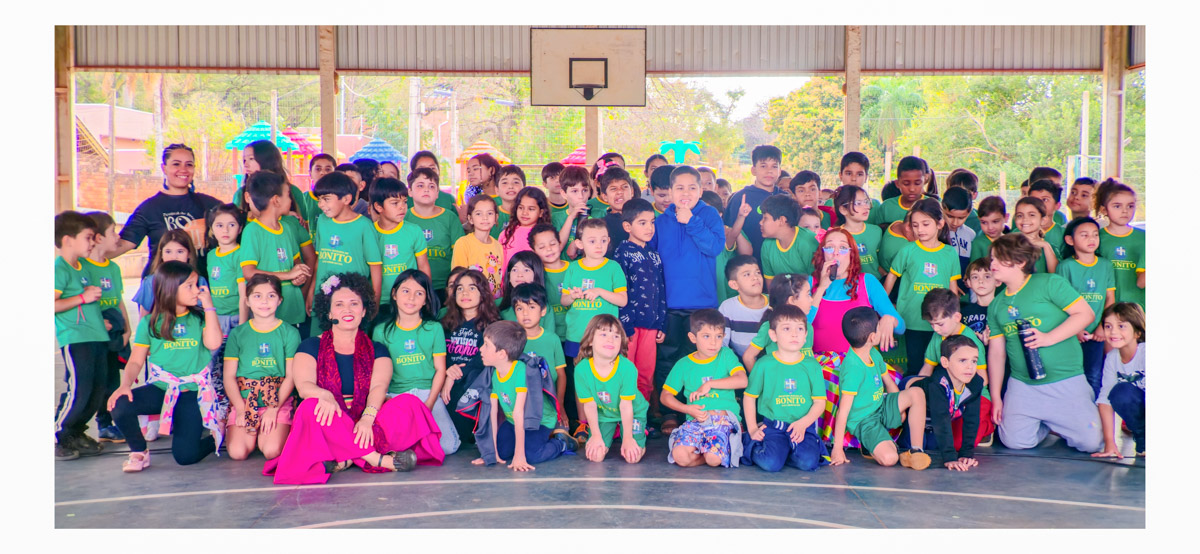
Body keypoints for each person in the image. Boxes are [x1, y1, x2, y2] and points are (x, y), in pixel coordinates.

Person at [264, 272, 444, 484]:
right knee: (310, 407)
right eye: (339, 304)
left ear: (364, 310)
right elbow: (304, 386)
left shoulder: (378, 349)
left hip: (366, 422)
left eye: (354, 304)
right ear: (329, 312)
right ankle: (375, 458)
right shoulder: (310, 345)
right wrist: (325, 395)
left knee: (409, 403)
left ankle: (346, 457)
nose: (347, 310)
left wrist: (367, 418)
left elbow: (378, 387)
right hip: (330, 420)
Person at [986, 233, 1102, 453]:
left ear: (1020, 261)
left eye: (1000, 258)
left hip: (1066, 379)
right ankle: (1047, 425)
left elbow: (1085, 314)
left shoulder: (1050, 283)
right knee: (1014, 442)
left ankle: (1062, 420)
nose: (993, 264)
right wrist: (996, 397)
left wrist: (1048, 338)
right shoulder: (996, 305)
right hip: (1023, 384)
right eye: (992, 258)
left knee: (1092, 443)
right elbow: (996, 353)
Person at [108, 260, 225, 471]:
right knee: (119, 404)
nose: (196, 290)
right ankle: (139, 452)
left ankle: (221, 433)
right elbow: (135, 360)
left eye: (196, 284)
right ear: (170, 289)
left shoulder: (200, 317)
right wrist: (125, 385)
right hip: (162, 389)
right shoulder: (150, 322)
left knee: (186, 456)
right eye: (189, 286)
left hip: (191, 393)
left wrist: (209, 306)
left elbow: (214, 343)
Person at [653, 165, 726, 434]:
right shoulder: (660, 221)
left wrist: (691, 220)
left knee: (701, 359)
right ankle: (670, 413)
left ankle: (699, 411)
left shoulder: (709, 215)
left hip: (703, 304)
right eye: (679, 188)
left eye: (692, 188)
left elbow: (714, 247)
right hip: (670, 304)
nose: (686, 193)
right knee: (668, 359)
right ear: (670, 191)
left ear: (701, 190)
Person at [830, 306, 930, 470]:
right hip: (864, 420)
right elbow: (843, 412)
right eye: (878, 327)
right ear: (872, 337)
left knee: (916, 393)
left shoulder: (873, 353)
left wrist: (899, 407)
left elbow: (889, 383)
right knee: (890, 458)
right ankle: (870, 444)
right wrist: (837, 449)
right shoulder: (853, 369)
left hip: (880, 405)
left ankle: (916, 450)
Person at [467, 321, 577, 470]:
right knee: (502, 453)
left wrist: (520, 456)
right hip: (513, 421)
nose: (480, 349)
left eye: (486, 345)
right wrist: (491, 453)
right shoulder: (493, 372)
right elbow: (492, 411)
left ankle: (561, 442)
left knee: (531, 455)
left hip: (539, 421)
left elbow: (519, 412)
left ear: (502, 354)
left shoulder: (521, 372)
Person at [372, 269, 459, 456]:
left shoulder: (433, 329)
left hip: (427, 393)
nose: (411, 298)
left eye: (419, 293)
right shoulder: (381, 331)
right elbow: (378, 373)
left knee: (449, 446)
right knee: (388, 443)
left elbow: (440, 369)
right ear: (394, 294)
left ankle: (414, 447)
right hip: (397, 396)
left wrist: (429, 403)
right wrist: (385, 398)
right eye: (405, 291)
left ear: (426, 299)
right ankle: (416, 447)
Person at [110, 144, 223, 277]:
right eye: (176, 164)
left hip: (200, 284)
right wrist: (90, 255)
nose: (183, 169)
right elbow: (123, 244)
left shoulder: (211, 205)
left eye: (189, 165)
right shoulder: (149, 208)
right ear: (164, 168)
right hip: (161, 285)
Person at [561, 218, 628, 439]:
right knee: (582, 379)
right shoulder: (573, 268)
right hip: (577, 335)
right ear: (579, 244)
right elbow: (563, 300)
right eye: (592, 241)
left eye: (603, 240)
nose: (598, 245)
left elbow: (622, 299)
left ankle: (611, 420)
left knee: (608, 377)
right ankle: (583, 423)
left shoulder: (613, 267)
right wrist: (572, 296)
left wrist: (599, 291)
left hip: (606, 338)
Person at [740, 305, 827, 472]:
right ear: (773, 335)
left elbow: (819, 402)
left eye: (800, 329)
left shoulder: (812, 366)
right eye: (786, 329)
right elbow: (749, 397)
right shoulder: (764, 365)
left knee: (808, 463)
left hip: (802, 426)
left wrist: (803, 423)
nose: (794, 334)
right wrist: (752, 428)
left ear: (806, 335)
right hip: (774, 427)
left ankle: (785, 452)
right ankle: (751, 443)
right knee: (770, 464)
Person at [222, 274, 300, 461]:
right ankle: (251, 434)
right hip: (245, 400)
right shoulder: (238, 333)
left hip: (276, 400)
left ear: (279, 300)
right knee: (238, 452)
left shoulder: (289, 333)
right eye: (257, 296)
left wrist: (273, 409)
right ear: (247, 301)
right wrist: (241, 409)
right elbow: (229, 377)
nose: (264, 301)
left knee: (271, 450)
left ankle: (265, 434)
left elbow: (291, 376)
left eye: (271, 296)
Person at [54, 212, 111, 460]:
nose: (92, 243)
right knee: (80, 388)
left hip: (96, 336)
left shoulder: (82, 267)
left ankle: (77, 432)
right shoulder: (60, 269)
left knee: (97, 389)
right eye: (88, 237)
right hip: (76, 339)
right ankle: (61, 433)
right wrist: (82, 298)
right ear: (68, 240)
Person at [660, 309, 748, 467]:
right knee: (680, 457)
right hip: (696, 421)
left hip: (722, 420)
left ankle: (713, 452)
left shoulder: (726, 355)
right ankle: (706, 451)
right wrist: (687, 409)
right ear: (693, 338)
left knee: (713, 459)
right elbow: (665, 396)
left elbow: (742, 380)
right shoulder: (683, 364)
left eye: (718, 336)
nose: (713, 342)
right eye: (706, 336)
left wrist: (709, 384)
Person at [884, 199, 962, 375]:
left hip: (941, 321)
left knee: (941, 367)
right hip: (912, 321)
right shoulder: (907, 250)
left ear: (940, 223)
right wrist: (883, 307)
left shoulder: (949, 253)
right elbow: (891, 277)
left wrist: (954, 318)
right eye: (915, 225)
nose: (920, 230)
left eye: (925, 224)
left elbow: (953, 287)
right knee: (915, 366)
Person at [915, 288, 995, 447]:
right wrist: (916, 392)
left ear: (957, 317)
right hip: (948, 398)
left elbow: (983, 380)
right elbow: (927, 369)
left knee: (959, 443)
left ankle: (987, 426)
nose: (935, 329)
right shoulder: (938, 336)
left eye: (940, 324)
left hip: (975, 397)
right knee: (937, 440)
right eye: (931, 325)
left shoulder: (971, 341)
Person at [81, 211, 133, 444]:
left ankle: (108, 424)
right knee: (95, 380)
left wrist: (127, 329)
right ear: (99, 238)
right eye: (113, 232)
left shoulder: (113, 268)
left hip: (113, 332)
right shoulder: (82, 267)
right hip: (93, 333)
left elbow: (118, 300)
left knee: (112, 378)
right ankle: (92, 424)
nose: (118, 237)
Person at [899, 335, 986, 471]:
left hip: (931, 415)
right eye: (962, 360)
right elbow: (941, 419)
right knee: (915, 445)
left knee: (932, 446)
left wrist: (966, 454)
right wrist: (950, 458)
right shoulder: (938, 383)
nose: (970, 366)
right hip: (909, 397)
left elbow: (972, 419)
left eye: (974, 361)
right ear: (945, 362)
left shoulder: (975, 383)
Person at [307, 172, 382, 328]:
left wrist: (374, 302)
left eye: (326, 199)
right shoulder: (322, 221)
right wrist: (311, 292)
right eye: (319, 199)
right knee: (320, 339)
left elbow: (375, 267)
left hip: (352, 302)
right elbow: (319, 261)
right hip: (323, 299)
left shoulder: (364, 226)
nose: (321, 205)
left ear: (346, 199)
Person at [240, 171, 314, 327]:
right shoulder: (252, 231)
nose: (291, 200)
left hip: (293, 310)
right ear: (276, 200)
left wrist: (299, 276)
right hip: (267, 313)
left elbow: (296, 264)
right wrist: (288, 275)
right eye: (288, 195)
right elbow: (249, 272)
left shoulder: (287, 228)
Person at [612, 199, 667, 406]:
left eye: (652, 222)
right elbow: (620, 290)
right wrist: (624, 325)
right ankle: (621, 417)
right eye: (642, 223)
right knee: (626, 371)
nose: (649, 228)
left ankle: (640, 417)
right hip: (630, 327)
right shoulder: (622, 252)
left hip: (651, 325)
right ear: (627, 226)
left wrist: (662, 323)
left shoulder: (654, 255)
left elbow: (661, 290)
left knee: (646, 373)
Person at [573, 314, 649, 463]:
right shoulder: (582, 369)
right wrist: (596, 436)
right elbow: (589, 404)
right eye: (603, 334)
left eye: (616, 336)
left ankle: (636, 432)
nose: (610, 340)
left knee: (632, 458)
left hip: (633, 412)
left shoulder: (627, 368)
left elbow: (626, 405)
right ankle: (613, 429)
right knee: (596, 457)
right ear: (590, 340)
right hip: (605, 414)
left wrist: (628, 439)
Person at [1057, 216, 1117, 398]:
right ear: (1070, 240)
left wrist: (1103, 326)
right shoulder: (1065, 266)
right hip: (1072, 333)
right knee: (1071, 375)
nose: (1091, 239)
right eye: (1084, 235)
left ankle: (1092, 412)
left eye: (1095, 235)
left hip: (1096, 333)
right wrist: (1075, 328)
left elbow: (1110, 298)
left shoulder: (1105, 265)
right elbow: (1060, 303)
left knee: (1094, 374)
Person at [440, 269, 500, 440]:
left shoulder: (494, 324)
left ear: (483, 293)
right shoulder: (444, 324)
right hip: (447, 381)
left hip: (474, 385)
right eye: (459, 288)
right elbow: (439, 354)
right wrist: (448, 371)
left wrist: (455, 373)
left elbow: (484, 360)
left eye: (472, 288)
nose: (464, 293)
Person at [371, 177, 432, 321]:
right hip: (380, 302)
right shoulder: (369, 233)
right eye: (395, 203)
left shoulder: (414, 231)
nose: (402, 207)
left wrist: (427, 296)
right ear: (379, 207)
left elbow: (423, 266)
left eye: (404, 202)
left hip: (409, 301)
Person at [1093, 303, 1146, 457]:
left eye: (1121, 326)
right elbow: (1105, 400)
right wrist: (1110, 443)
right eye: (1108, 326)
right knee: (1120, 393)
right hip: (1140, 411)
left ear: (1137, 332)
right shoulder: (1112, 358)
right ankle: (1142, 438)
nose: (1113, 332)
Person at [511, 283, 568, 419]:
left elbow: (561, 374)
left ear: (543, 311)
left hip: (549, 403)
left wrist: (560, 405)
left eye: (531, 307)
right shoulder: (511, 340)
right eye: (520, 308)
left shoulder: (552, 339)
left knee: (560, 429)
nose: (525, 313)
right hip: (520, 404)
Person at [406, 168, 463, 303]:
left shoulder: (450, 217)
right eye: (420, 186)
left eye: (431, 186)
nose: (426, 190)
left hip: (445, 287)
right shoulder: (404, 218)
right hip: (413, 286)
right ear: (410, 192)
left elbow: (459, 255)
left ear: (437, 193)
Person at [742, 273, 816, 371]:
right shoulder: (769, 327)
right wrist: (761, 379)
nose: (811, 299)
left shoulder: (808, 327)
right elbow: (748, 357)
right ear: (792, 300)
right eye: (808, 294)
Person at [723, 145, 786, 258]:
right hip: (747, 263)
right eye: (763, 166)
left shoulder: (786, 199)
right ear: (753, 170)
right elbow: (729, 236)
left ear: (779, 171)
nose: (769, 171)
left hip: (780, 263)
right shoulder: (740, 198)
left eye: (774, 166)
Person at [131, 229, 209, 317]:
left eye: (180, 251)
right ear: (161, 254)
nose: (174, 257)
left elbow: (207, 312)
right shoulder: (150, 282)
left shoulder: (199, 281)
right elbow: (144, 317)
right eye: (168, 251)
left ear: (189, 254)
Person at [1094, 179, 1145, 311]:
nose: (1125, 211)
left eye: (1130, 206)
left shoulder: (1144, 238)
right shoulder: (1096, 238)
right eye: (1117, 206)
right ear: (1104, 210)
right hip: (1105, 308)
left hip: (1137, 308)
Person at [235, 140, 310, 226]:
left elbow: (305, 227)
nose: (246, 165)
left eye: (251, 159)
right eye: (244, 160)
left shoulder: (294, 192)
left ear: (267, 160)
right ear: (247, 197)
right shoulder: (240, 194)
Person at [451, 195, 504, 299]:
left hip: (494, 302)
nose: (485, 217)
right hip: (472, 301)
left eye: (490, 213)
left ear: (496, 218)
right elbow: (458, 276)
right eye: (479, 213)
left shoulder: (499, 246)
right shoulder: (463, 243)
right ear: (470, 219)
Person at [759, 195, 819, 287]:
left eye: (765, 218)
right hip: (781, 295)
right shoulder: (767, 245)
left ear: (782, 220)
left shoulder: (808, 242)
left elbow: (817, 282)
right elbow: (770, 284)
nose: (760, 222)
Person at [719, 255, 768, 357]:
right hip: (739, 363)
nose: (755, 277)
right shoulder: (727, 307)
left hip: (773, 362)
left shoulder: (775, 302)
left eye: (758, 272)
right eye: (747, 274)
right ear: (734, 285)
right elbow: (722, 344)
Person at [497, 251, 555, 334]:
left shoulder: (545, 308)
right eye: (515, 270)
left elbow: (549, 338)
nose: (519, 275)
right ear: (508, 276)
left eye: (526, 270)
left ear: (536, 275)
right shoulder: (497, 305)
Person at [528, 224, 570, 338]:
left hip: (575, 335)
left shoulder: (575, 269)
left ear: (560, 243)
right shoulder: (534, 276)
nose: (549, 249)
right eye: (542, 247)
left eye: (552, 244)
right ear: (534, 251)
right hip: (550, 336)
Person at [834, 185, 883, 279]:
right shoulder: (836, 236)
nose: (866, 207)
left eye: (866, 202)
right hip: (848, 284)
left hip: (874, 283)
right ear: (843, 209)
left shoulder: (876, 231)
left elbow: (878, 262)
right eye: (858, 203)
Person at [499, 186, 552, 268]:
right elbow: (501, 264)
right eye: (521, 208)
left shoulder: (545, 235)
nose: (525, 213)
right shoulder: (507, 233)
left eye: (531, 209)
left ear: (541, 213)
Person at [869, 156, 927, 228]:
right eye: (906, 184)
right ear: (897, 183)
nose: (912, 189)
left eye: (917, 183)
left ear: (924, 181)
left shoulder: (933, 204)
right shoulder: (886, 207)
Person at [554, 165, 598, 260]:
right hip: (565, 267)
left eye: (585, 190)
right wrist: (571, 217)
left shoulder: (598, 215)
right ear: (564, 194)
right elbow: (556, 249)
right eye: (574, 191)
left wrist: (577, 244)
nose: (581, 196)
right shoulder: (556, 218)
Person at [597, 166, 639, 256]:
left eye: (624, 187)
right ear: (605, 196)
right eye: (613, 189)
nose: (620, 192)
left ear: (632, 192)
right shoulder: (601, 225)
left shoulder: (642, 219)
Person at [1012, 196, 1060, 273]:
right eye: (1020, 215)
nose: (1025, 219)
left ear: (1043, 220)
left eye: (1032, 215)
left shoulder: (1051, 248)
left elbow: (1054, 275)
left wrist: (1046, 246)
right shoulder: (1008, 245)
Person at [959, 258, 996, 341]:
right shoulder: (963, 312)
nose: (980, 281)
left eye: (987, 276)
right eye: (975, 277)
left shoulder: (1002, 310)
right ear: (969, 282)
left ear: (997, 281)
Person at [942, 187, 976, 275]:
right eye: (950, 216)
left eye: (961, 218)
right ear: (942, 209)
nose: (955, 223)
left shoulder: (971, 234)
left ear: (969, 212)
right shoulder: (936, 233)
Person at [491, 165, 526, 240]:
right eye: (505, 183)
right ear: (497, 190)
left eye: (516, 182)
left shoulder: (529, 215)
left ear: (524, 188)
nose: (510, 186)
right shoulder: (490, 215)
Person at [968, 196, 1007, 264]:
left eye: (995, 221)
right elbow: (974, 269)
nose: (990, 227)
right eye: (984, 222)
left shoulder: (1011, 241)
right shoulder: (978, 244)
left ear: (1006, 218)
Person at [462, 153, 500, 221]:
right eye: (469, 171)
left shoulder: (506, 198)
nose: (471, 174)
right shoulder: (474, 200)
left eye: (475, 169)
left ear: (491, 170)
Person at [945, 168, 982, 234]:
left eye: (961, 218)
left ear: (974, 195)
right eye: (955, 192)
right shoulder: (939, 216)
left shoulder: (978, 221)